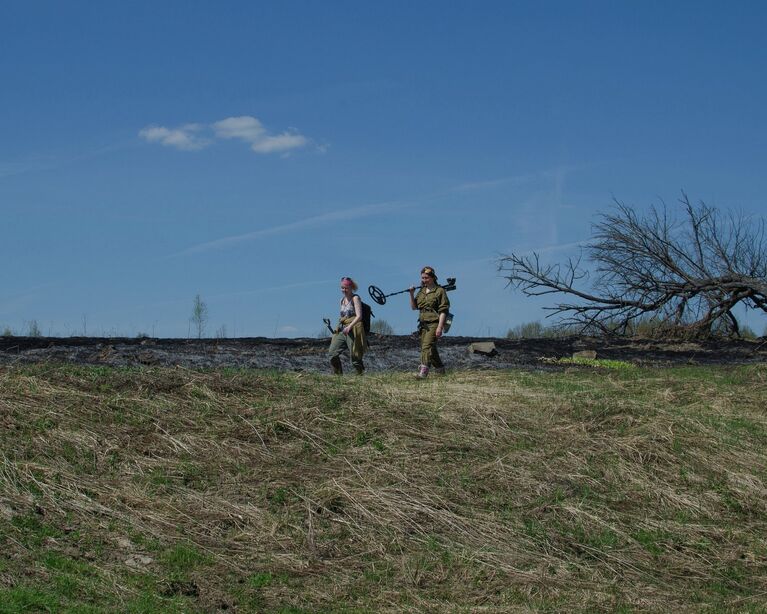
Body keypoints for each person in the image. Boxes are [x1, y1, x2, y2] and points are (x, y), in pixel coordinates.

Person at [409, 266, 450, 378]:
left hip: (434, 323)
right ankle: (440, 370)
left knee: (426, 347)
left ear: (432, 277)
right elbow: (414, 307)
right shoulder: (421, 291)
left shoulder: (440, 291)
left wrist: (440, 327)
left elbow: (443, 311)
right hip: (423, 324)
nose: (424, 280)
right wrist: (411, 294)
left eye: (426, 277)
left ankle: (423, 370)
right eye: (422, 278)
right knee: (430, 348)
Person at [327, 277, 367, 375]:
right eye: (342, 288)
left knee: (355, 356)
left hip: (353, 328)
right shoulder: (341, 300)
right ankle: (338, 376)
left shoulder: (355, 298)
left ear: (351, 288)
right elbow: (343, 316)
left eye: (346, 288)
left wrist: (350, 327)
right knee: (332, 353)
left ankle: (360, 375)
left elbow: (359, 316)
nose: (344, 290)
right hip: (342, 329)